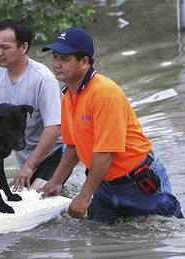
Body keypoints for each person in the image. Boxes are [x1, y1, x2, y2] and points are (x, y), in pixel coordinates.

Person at [40, 27, 183, 223]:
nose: (57, 64)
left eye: (64, 59)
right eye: (55, 57)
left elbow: (104, 153)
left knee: (169, 234)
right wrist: (55, 182)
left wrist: (83, 197)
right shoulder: (68, 95)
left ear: (84, 62)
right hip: (104, 185)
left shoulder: (104, 93)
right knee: (99, 242)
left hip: (138, 183)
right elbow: (73, 147)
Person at [0, 19, 64, 191]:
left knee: (38, 194)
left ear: (23, 47)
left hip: (52, 154)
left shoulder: (43, 79)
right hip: (23, 153)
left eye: (5, 47)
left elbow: (53, 129)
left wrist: (29, 167)